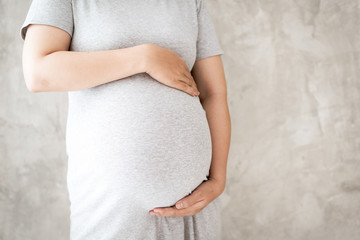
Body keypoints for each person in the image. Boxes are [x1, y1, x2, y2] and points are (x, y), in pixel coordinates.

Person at [20, 0, 231, 239]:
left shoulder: (190, 3)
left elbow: (214, 93)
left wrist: (217, 179)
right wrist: (144, 57)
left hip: (195, 210)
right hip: (111, 209)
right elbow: (38, 72)